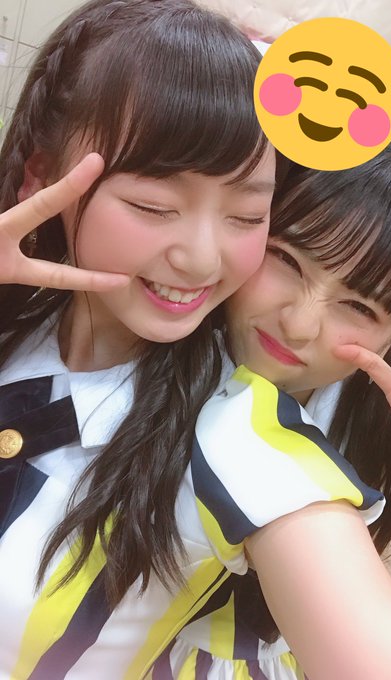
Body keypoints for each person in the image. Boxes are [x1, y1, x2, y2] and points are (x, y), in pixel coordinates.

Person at [0, 0, 283, 676]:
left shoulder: (237, 440)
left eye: (248, 215)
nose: (201, 258)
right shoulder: (19, 327)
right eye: (154, 205)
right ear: (42, 178)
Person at [168, 144, 391, 679]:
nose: (299, 324)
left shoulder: (388, 421)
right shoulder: (155, 362)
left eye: (357, 306)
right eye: (287, 261)